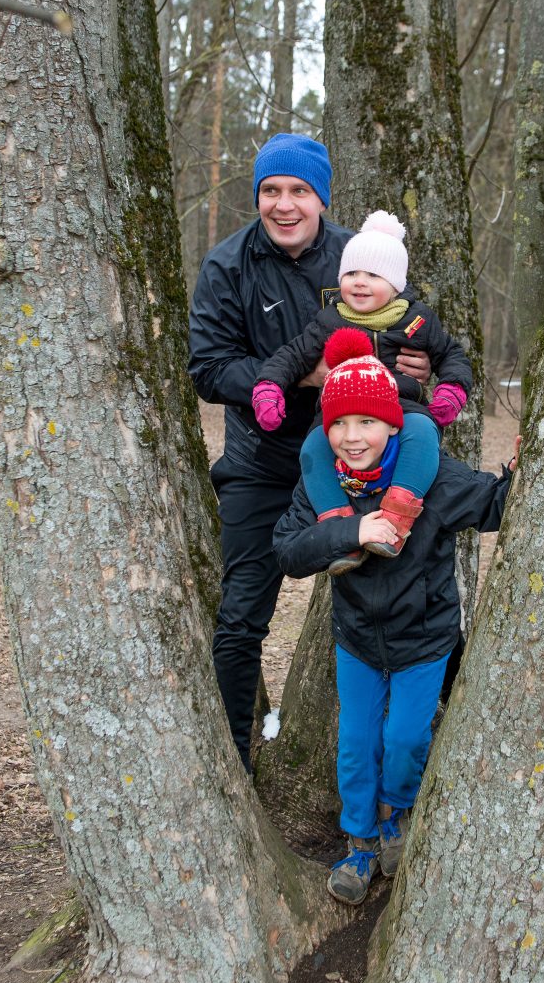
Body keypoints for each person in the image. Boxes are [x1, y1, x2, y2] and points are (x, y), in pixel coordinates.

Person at [188, 133, 429, 771]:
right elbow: (208, 369)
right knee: (241, 617)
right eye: (271, 191)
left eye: (299, 191)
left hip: (363, 465)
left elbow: (409, 323)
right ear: (258, 197)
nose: (284, 205)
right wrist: (299, 377)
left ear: (321, 197)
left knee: (405, 613)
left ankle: (391, 774)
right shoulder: (227, 266)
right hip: (261, 463)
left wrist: (420, 360)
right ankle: (236, 760)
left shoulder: (358, 258)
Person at [273, 330, 520, 904]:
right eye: (339, 424)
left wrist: (519, 470)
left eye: (366, 423)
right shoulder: (322, 484)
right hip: (357, 639)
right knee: (357, 743)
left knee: (406, 737)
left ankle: (394, 815)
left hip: (425, 637)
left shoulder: (430, 477)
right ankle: (359, 845)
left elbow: (493, 504)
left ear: (392, 426)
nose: (352, 437)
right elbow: (288, 551)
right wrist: (351, 530)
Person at [250, 211, 473, 572]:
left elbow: (452, 355)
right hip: (338, 413)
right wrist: (269, 387)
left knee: (422, 431)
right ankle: (339, 526)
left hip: (400, 409)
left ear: (396, 283)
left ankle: (398, 516)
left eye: (373, 275)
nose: (360, 282)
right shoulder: (329, 320)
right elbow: (290, 356)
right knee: (313, 447)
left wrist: (451, 390)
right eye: (351, 273)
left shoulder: (416, 321)